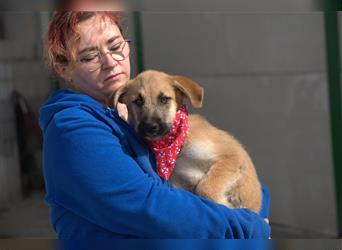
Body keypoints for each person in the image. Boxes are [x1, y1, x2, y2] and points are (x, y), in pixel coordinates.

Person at [39, 11, 271, 239]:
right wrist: (249, 227)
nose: (110, 62)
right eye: (90, 56)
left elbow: (251, 183)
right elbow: (150, 207)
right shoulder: (72, 128)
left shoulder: (127, 116)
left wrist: (251, 211)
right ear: (63, 69)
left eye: (115, 46)